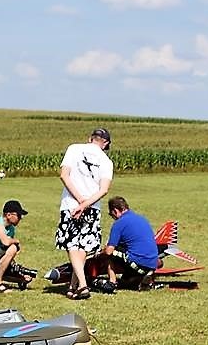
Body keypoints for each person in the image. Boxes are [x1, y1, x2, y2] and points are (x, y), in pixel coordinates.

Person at [55, 127, 113, 299]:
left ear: (90, 138)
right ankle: (72, 287)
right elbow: (104, 189)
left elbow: (64, 175)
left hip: (71, 204)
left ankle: (82, 285)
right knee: (83, 247)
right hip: (92, 206)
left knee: (72, 245)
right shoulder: (106, 161)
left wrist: (80, 201)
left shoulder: (73, 149)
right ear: (106, 143)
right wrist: (86, 203)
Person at [99, 196, 159, 290]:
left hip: (138, 263)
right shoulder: (142, 219)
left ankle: (112, 282)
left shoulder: (119, 223)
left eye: (111, 214)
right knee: (125, 280)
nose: (113, 217)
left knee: (111, 254)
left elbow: (109, 251)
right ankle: (142, 278)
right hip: (153, 263)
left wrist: (99, 254)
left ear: (115, 210)